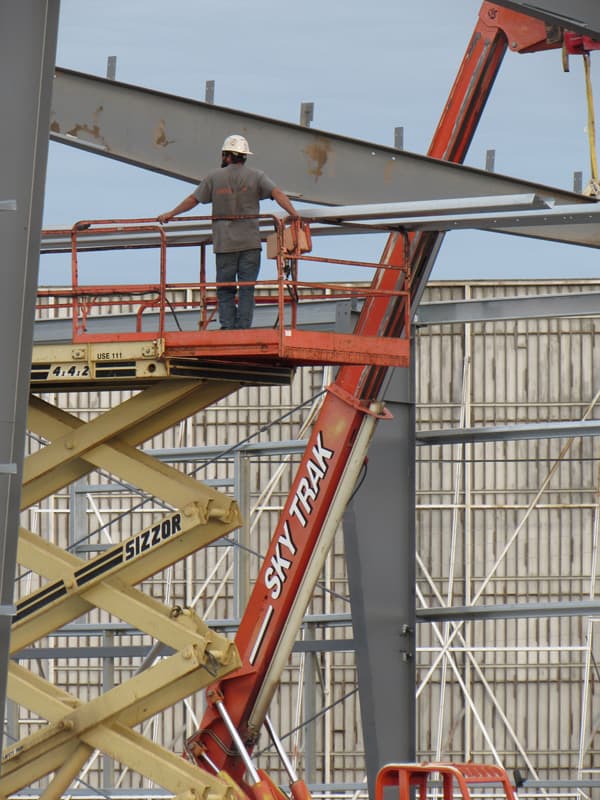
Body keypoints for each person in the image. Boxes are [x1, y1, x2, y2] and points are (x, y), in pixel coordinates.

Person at [158, 134, 297, 330]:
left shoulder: (214, 177)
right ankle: (243, 328)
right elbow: (278, 194)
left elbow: (193, 199)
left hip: (225, 245)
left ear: (227, 155)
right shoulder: (256, 176)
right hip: (250, 244)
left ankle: (228, 328)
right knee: (247, 289)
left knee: (225, 289)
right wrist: (295, 215)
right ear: (244, 156)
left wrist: (171, 214)